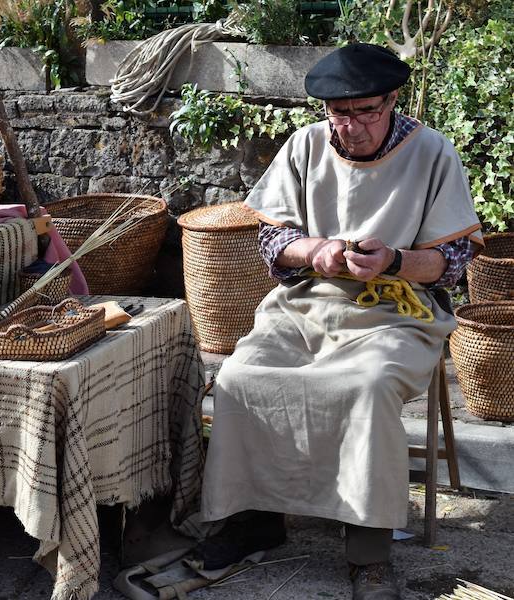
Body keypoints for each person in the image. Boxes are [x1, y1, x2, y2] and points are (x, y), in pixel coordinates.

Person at [199, 43, 484, 600]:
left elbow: (454, 264)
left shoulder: (432, 153)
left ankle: (369, 551)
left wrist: (396, 259)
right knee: (240, 378)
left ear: (393, 100)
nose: (350, 126)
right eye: (339, 113)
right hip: (308, 302)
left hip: (396, 310)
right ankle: (254, 518)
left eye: (365, 112)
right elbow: (272, 241)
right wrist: (314, 252)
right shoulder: (306, 145)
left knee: (367, 386)